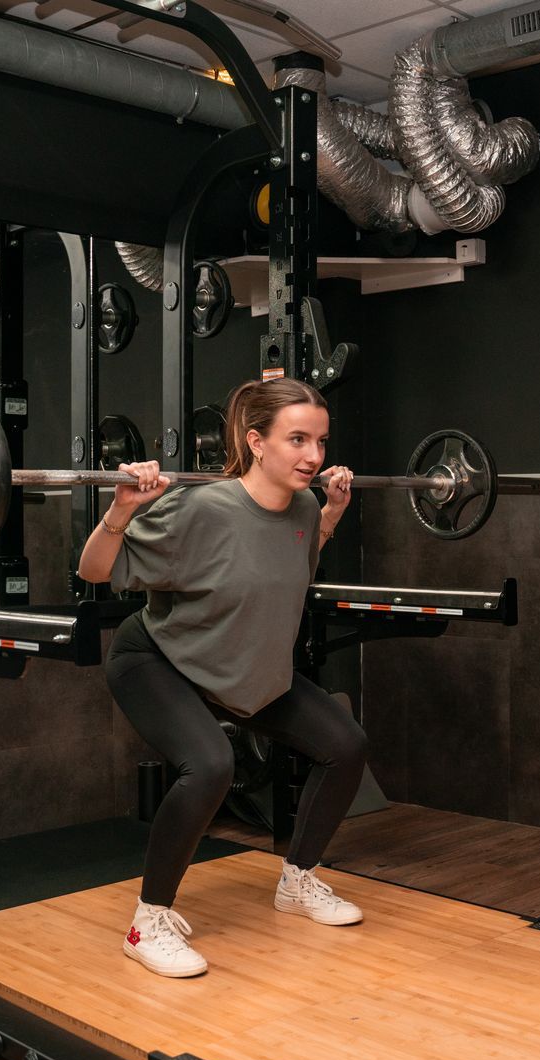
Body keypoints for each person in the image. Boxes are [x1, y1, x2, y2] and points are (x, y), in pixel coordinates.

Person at [76, 377, 366, 978]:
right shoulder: (201, 508)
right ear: (255, 442)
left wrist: (332, 515)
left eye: (320, 440)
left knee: (344, 744)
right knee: (209, 764)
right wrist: (121, 510)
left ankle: (297, 880)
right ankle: (147, 922)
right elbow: (95, 570)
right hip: (159, 659)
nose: (314, 456)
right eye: (297, 439)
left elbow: (292, 561)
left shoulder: (307, 505)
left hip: (240, 666)